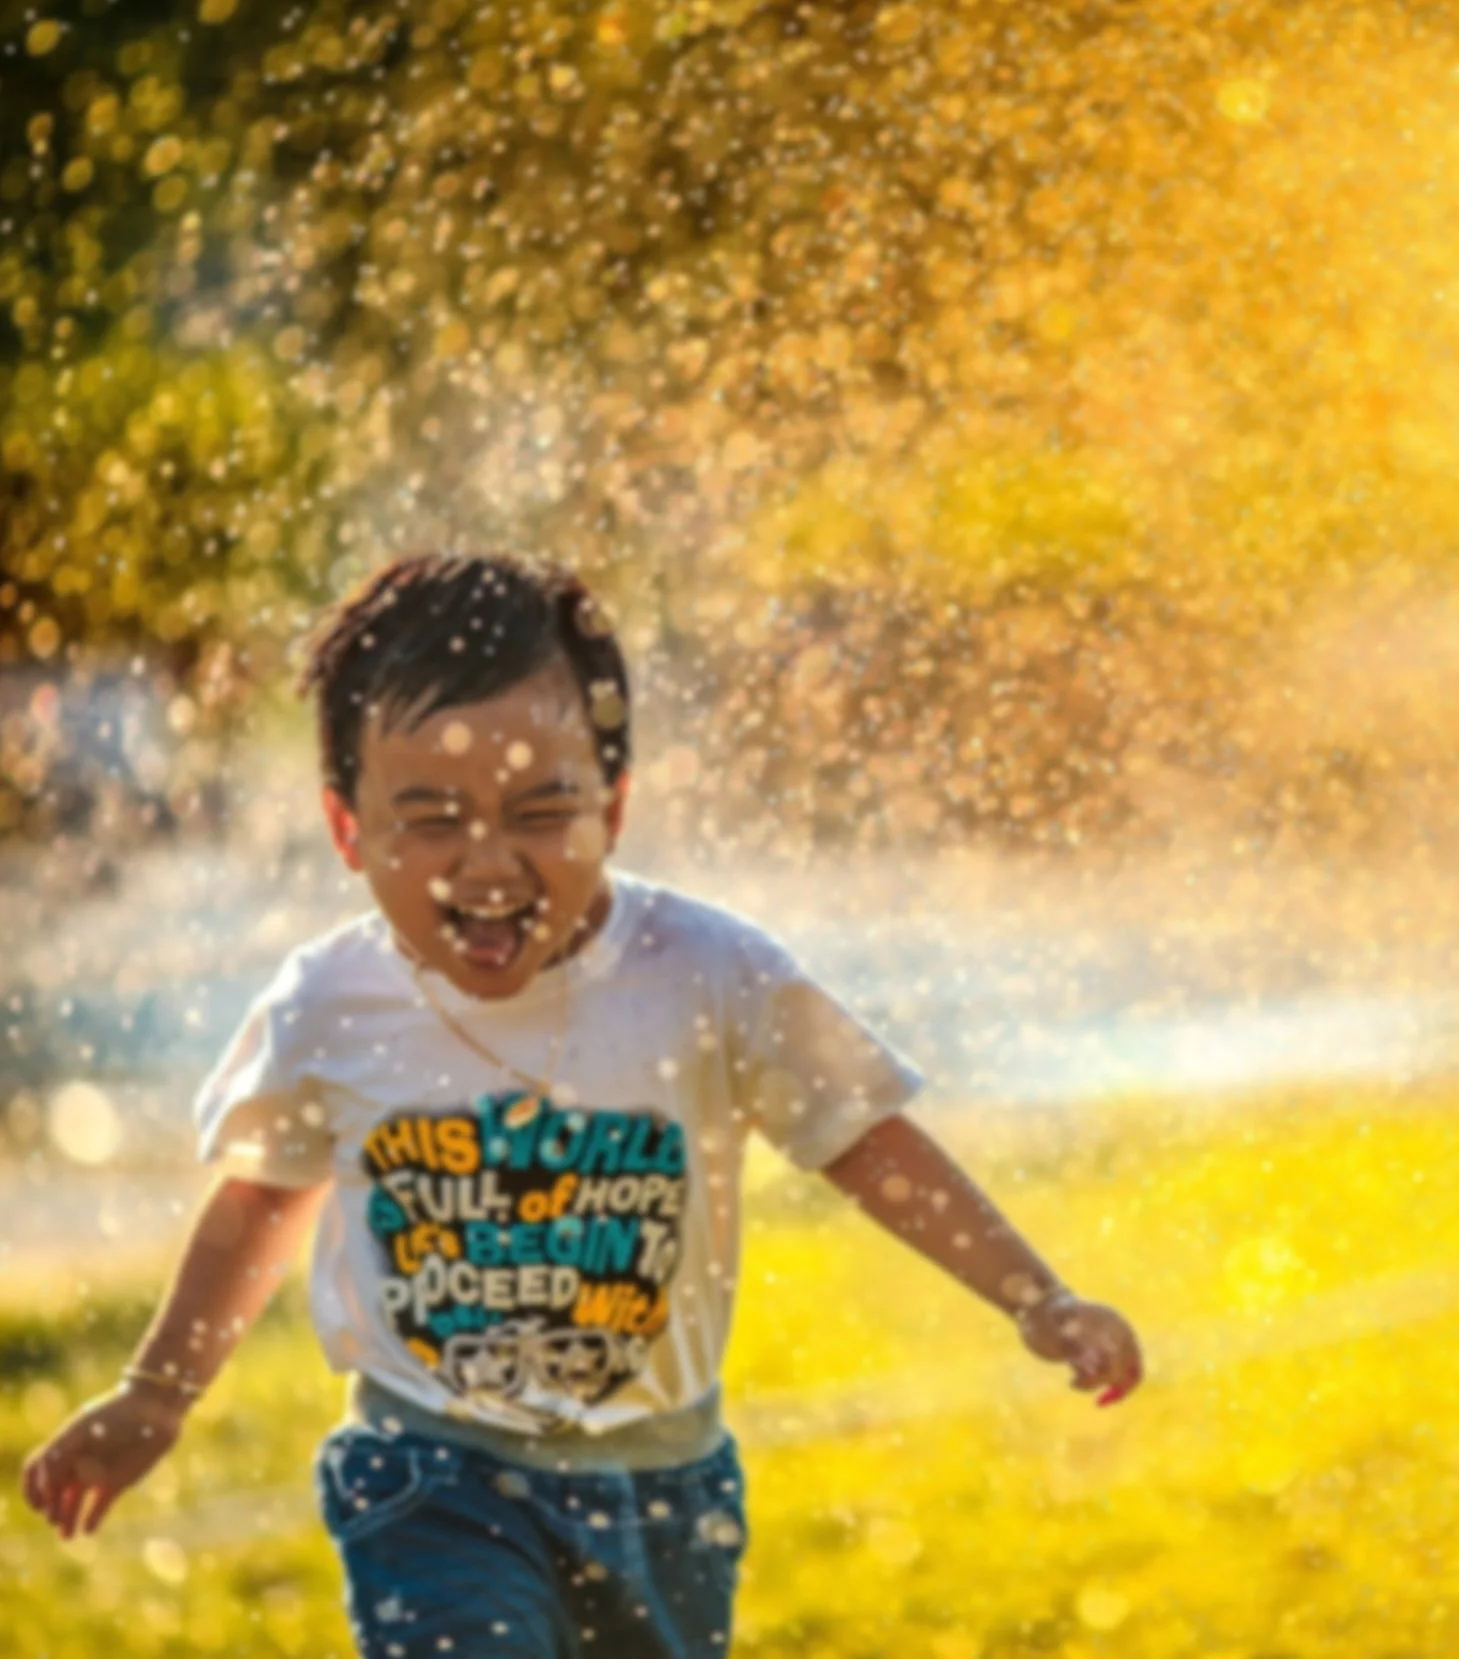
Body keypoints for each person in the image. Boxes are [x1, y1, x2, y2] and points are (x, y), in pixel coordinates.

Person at [20, 553, 1144, 1658]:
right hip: (430, 1473)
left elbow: (863, 1139)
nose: (488, 859)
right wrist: (156, 1392)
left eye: (539, 808)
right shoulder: (332, 1000)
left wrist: (1034, 1295)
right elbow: (263, 1197)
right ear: (347, 828)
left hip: (664, 1487)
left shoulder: (708, 972)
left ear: (612, 804)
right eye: (432, 816)